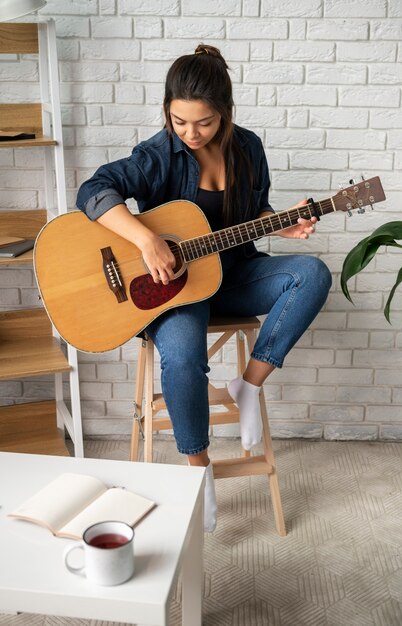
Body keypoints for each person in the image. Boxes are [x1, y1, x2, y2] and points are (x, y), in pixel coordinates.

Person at [76, 44, 332, 532]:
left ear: (226, 114)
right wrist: (147, 239)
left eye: (204, 123)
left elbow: (246, 217)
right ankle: (200, 471)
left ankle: (248, 385)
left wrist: (279, 225)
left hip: (231, 276)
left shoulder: (249, 148)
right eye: (179, 121)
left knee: (312, 275)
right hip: (174, 292)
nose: (190, 134)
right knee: (182, 352)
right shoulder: (156, 155)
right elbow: (93, 190)